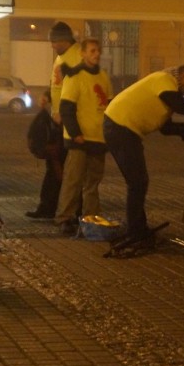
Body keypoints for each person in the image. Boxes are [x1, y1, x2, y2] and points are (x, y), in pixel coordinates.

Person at [103, 65, 184, 248]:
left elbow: (166, 128)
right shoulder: (164, 80)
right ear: (182, 76)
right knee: (137, 182)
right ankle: (136, 230)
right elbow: (180, 106)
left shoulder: (166, 94)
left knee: (138, 181)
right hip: (121, 127)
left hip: (123, 129)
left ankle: (138, 228)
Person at [55, 38, 113, 236]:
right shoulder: (75, 76)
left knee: (93, 182)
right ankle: (65, 217)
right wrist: (75, 133)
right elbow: (66, 108)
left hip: (98, 138)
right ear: (83, 53)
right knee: (73, 180)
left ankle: (91, 217)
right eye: (92, 51)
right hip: (80, 139)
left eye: (98, 50)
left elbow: (109, 105)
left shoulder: (103, 76)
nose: (96, 54)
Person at [26, 91, 65, 219]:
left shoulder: (74, 76)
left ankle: (68, 212)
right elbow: (54, 88)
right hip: (58, 126)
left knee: (61, 174)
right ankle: (47, 208)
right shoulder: (59, 76)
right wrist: (47, 96)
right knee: (52, 172)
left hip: (66, 130)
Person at [49, 22, 82, 124]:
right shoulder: (60, 56)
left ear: (64, 40)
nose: (52, 46)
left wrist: (63, 113)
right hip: (59, 117)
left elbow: (81, 89)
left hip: (71, 119)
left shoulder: (79, 55)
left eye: (54, 41)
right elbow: (58, 84)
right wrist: (47, 95)